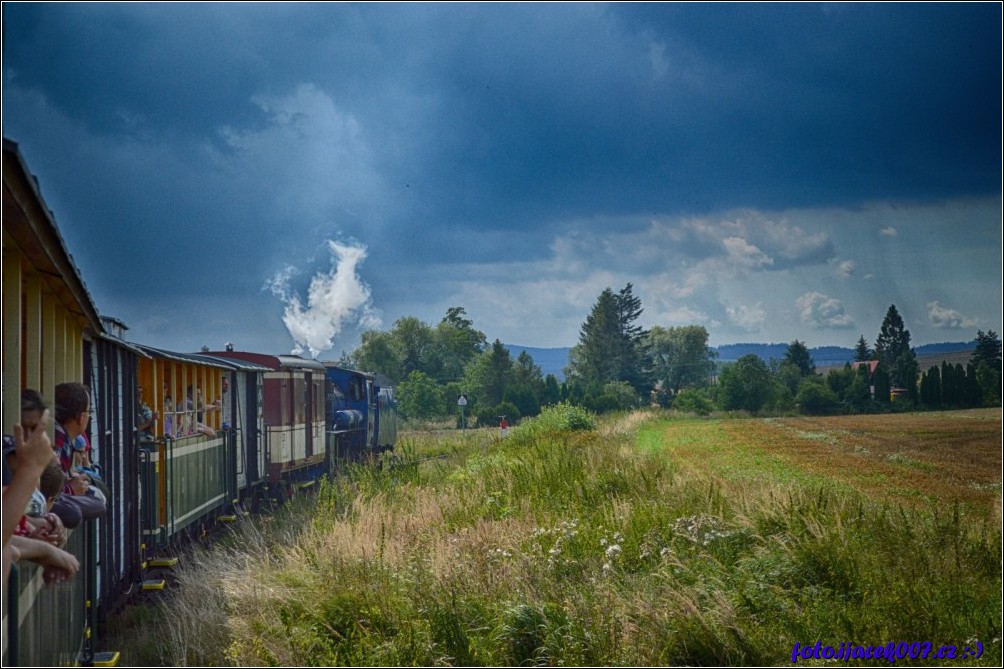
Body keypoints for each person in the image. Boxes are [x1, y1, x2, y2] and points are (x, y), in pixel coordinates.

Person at [51, 383, 105, 527]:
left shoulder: (61, 435)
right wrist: (70, 488)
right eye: (89, 411)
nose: (89, 416)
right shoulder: (59, 439)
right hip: (43, 505)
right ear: (81, 417)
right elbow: (46, 489)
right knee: (98, 503)